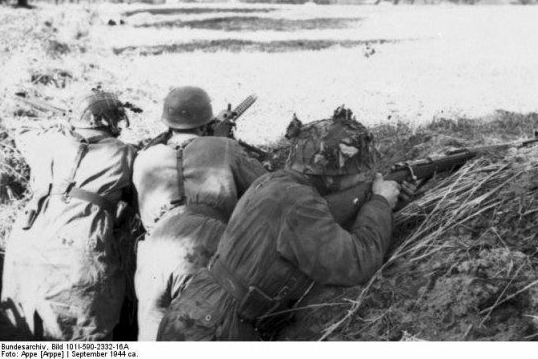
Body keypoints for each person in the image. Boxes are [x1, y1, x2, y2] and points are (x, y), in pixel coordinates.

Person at [157, 106, 407, 341]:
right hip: (213, 328)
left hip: (195, 313)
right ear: (332, 175)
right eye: (359, 172)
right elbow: (358, 262)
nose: (363, 177)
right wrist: (379, 202)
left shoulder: (273, 183)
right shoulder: (300, 204)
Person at [0, 88, 137, 341]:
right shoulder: (125, 154)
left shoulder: (47, 140)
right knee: (82, 329)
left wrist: (62, 124)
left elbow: (22, 131)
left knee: (23, 328)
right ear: (109, 121)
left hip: (28, 243)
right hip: (80, 251)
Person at [132, 86, 267, 341]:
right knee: (209, 332)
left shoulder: (144, 158)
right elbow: (267, 188)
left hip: (154, 249)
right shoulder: (224, 147)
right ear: (206, 121)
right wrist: (227, 143)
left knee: (151, 335)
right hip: (205, 242)